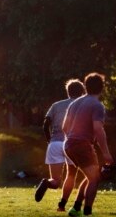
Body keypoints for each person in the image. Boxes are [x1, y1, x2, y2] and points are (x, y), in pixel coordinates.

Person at [62, 72, 113, 217]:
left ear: (85, 87)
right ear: (102, 88)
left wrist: (72, 140)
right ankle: (87, 212)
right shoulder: (97, 105)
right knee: (95, 179)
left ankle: (76, 208)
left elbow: (65, 127)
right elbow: (98, 129)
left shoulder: (74, 103)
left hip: (68, 144)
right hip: (81, 144)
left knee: (92, 175)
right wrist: (106, 153)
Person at [35, 79, 85, 210]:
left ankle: (46, 183)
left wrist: (49, 140)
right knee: (71, 174)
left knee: (55, 181)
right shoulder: (82, 105)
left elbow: (45, 124)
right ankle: (62, 205)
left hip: (55, 143)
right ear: (82, 92)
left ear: (68, 92)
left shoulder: (56, 105)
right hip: (71, 144)